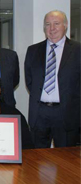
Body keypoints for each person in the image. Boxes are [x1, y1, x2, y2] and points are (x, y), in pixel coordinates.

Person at [25, 10, 80, 148]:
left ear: (65, 25)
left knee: (66, 160)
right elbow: (30, 81)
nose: (52, 28)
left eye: (56, 24)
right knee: (36, 158)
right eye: (48, 24)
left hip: (66, 113)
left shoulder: (78, 50)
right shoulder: (33, 50)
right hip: (39, 112)